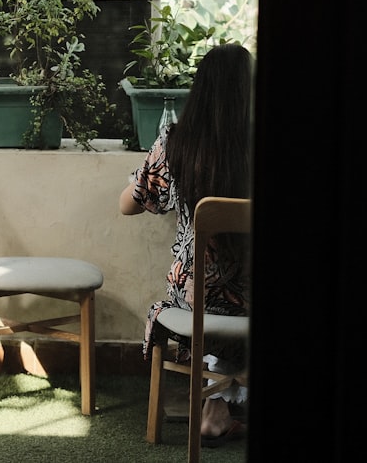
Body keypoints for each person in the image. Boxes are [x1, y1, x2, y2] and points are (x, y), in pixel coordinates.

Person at [119, 42, 253, 448]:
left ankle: (215, 409)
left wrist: (151, 175)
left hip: (193, 301)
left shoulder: (174, 145)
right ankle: (219, 409)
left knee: (204, 288)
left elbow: (127, 206)